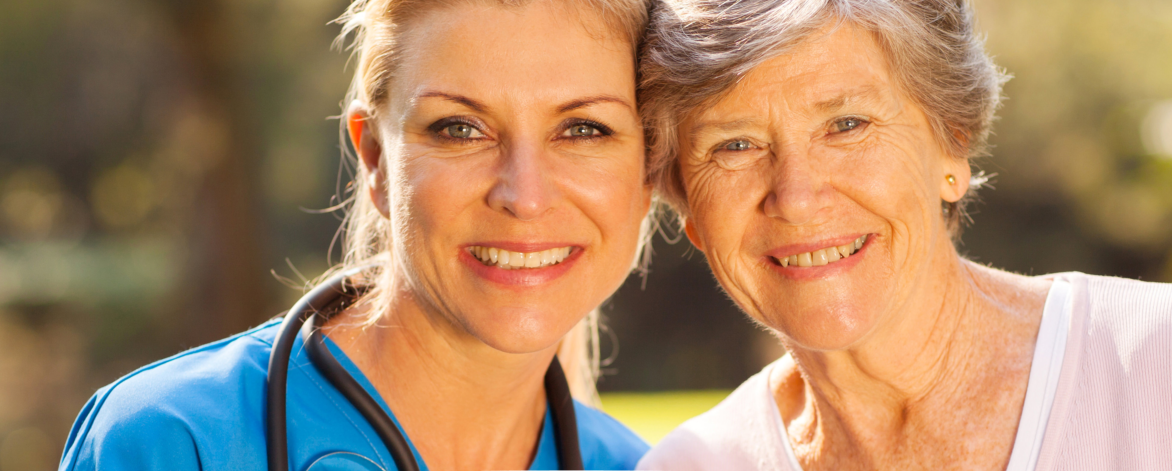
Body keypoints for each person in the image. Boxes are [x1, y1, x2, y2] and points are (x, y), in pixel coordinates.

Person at [58, 0, 656, 469]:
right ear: (374, 158)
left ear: (653, 169)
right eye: (459, 129)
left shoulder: (645, 469)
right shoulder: (169, 442)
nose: (524, 196)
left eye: (583, 130)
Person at [634, 0, 1172, 470]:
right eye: (734, 145)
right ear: (689, 209)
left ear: (951, 144)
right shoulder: (692, 464)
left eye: (847, 125)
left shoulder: (1156, 360)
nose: (795, 198)